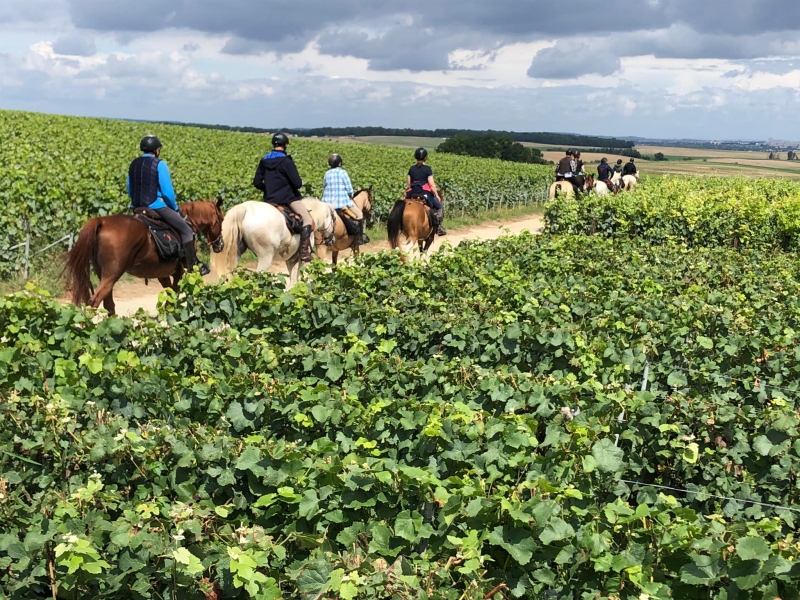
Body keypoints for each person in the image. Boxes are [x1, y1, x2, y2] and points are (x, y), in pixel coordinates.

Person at [127, 135, 209, 275]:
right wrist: (175, 208)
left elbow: (129, 189)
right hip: (155, 206)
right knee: (187, 230)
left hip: (137, 207)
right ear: (157, 150)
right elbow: (167, 193)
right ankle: (192, 267)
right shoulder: (160, 164)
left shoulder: (133, 164)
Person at [253, 132, 313, 263]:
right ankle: (304, 252)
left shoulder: (264, 160)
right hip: (288, 198)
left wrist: (268, 189)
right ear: (285, 145)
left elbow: (257, 182)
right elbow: (297, 183)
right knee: (308, 219)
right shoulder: (286, 161)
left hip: (269, 200)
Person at [321, 153, 369, 244]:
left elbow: (324, 186)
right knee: (359, 215)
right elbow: (349, 189)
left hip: (327, 204)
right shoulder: (343, 172)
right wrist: (350, 196)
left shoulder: (326, 173)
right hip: (341, 203)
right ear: (339, 163)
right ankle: (359, 238)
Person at [406, 147, 446, 236]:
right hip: (424, 192)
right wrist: (436, 195)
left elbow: (409, 183)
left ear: (415, 157)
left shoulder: (411, 169)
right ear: (425, 157)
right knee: (439, 207)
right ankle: (438, 227)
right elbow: (431, 185)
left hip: (412, 192)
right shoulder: (427, 169)